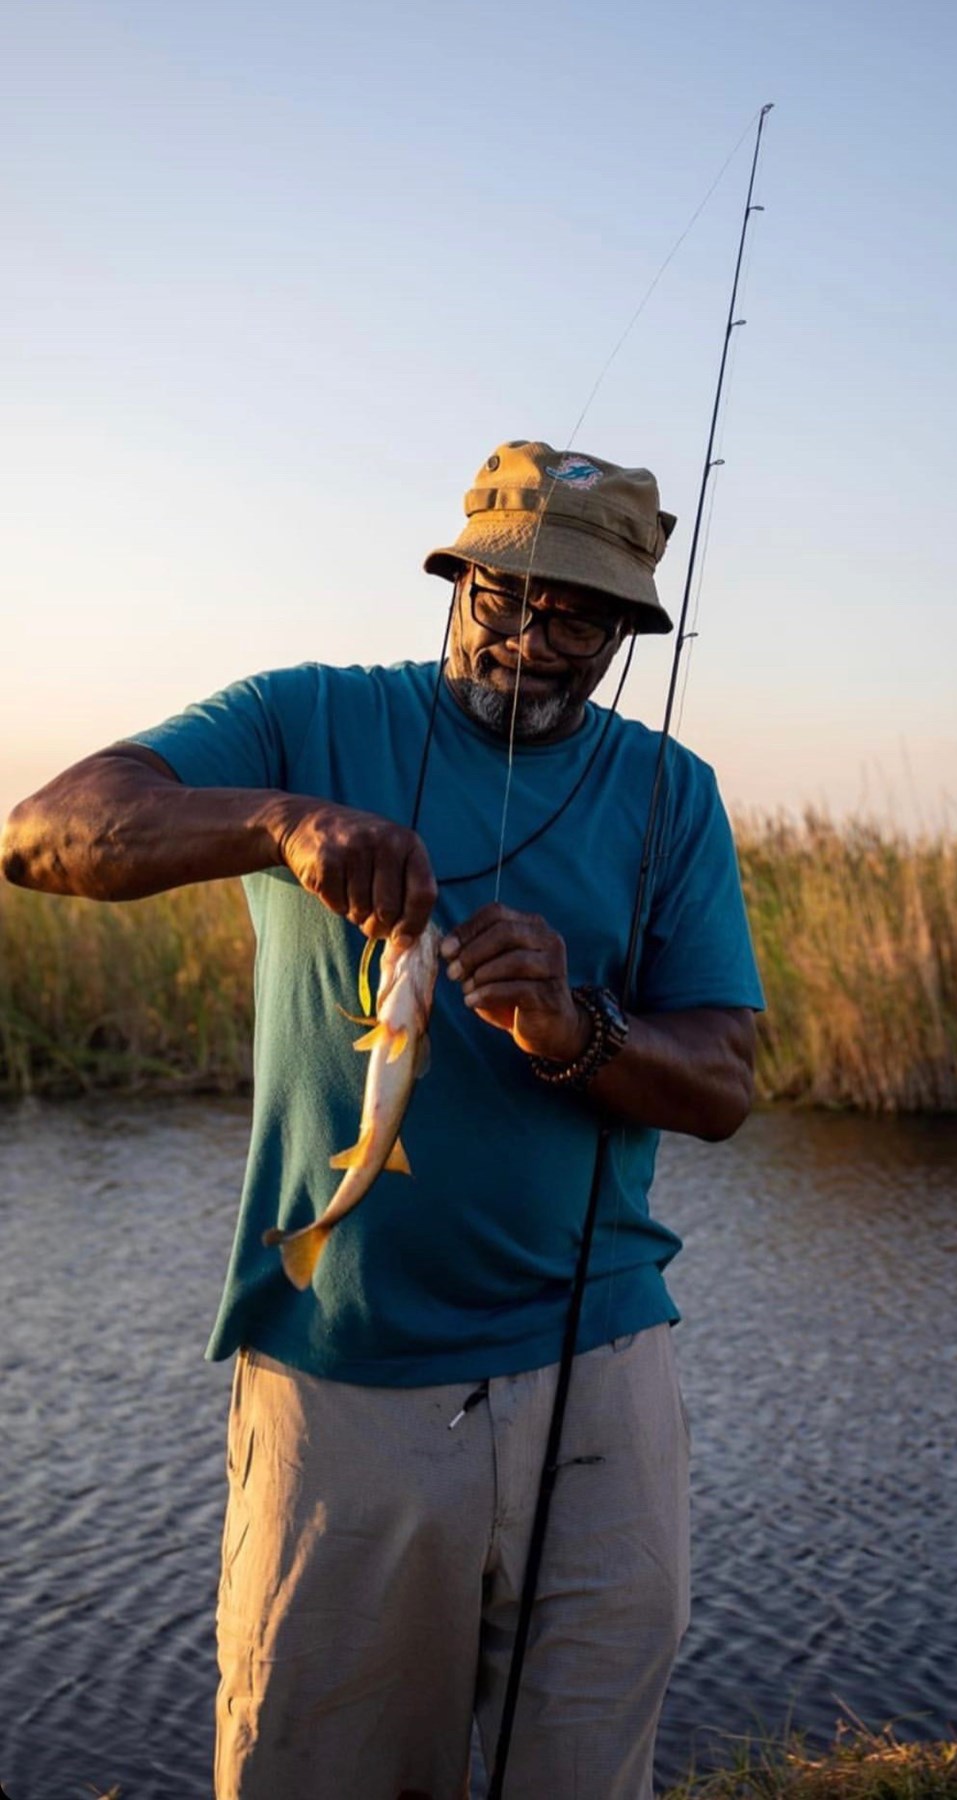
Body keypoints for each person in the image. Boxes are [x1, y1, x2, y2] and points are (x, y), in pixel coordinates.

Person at [1, 439, 764, 1800]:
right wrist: (275, 824)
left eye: (577, 611)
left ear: (627, 631)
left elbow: (726, 1083)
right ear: (457, 579)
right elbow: (45, 832)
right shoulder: (304, 716)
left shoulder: (671, 795)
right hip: (340, 1371)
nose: (532, 636)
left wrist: (576, 1030)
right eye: (504, 595)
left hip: (601, 1372)